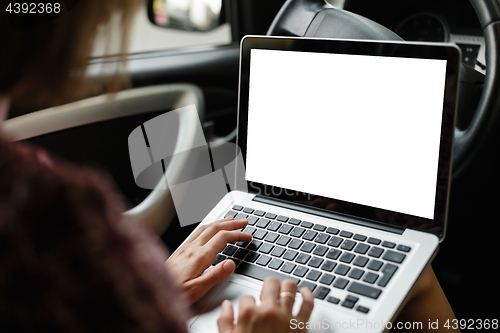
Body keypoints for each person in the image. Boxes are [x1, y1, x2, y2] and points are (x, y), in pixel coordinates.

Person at [0, 1, 458, 332]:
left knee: (412, 279)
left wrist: (163, 290)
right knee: (417, 282)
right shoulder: (52, 210)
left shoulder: (26, 192)